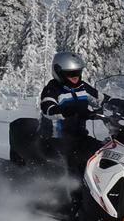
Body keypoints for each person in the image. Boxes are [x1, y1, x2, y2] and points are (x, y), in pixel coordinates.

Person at [39, 52, 105, 187]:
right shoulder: (52, 89)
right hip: (56, 140)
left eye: (77, 72)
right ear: (59, 72)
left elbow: (102, 99)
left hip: (79, 137)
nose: (75, 76)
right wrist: (63, 111)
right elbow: (48, 107)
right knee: (78, 161)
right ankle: (75, 200)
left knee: (105, 152)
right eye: (70, 73)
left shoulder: (82, 87)